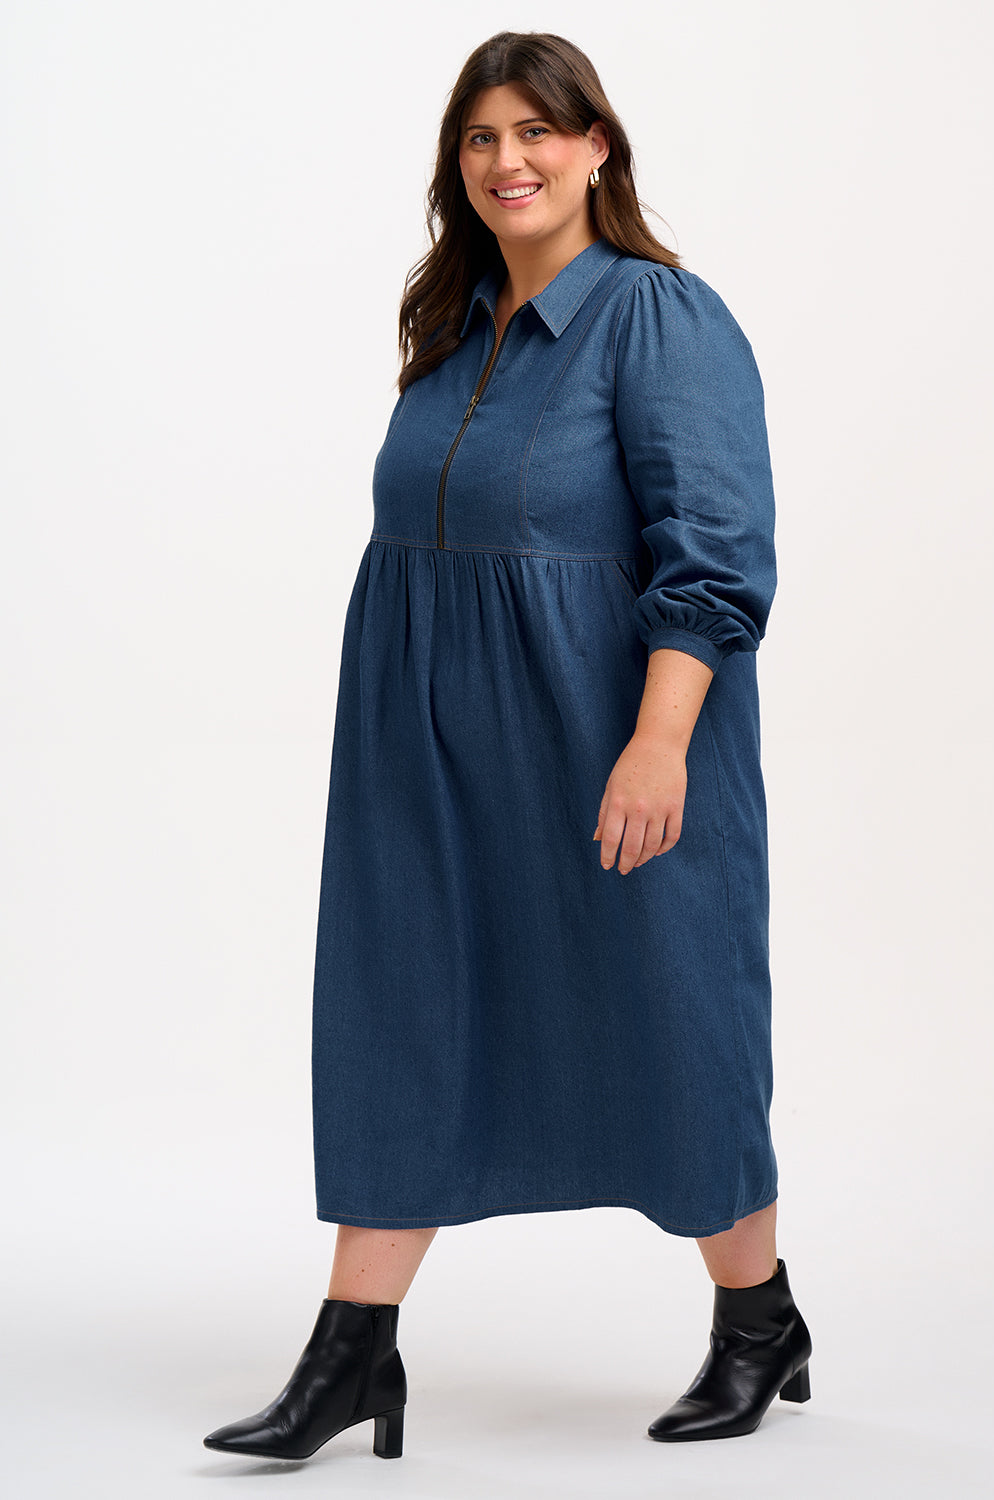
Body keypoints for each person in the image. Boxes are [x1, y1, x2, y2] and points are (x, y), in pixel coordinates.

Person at [203, 29, 811, 1464]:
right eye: (480, 139)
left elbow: (714, 553)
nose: (508, 160)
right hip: (424, 747)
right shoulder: (456, 322)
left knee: (674, 1016)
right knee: (401, 1006)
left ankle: (756, 1318)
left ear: (600, 146)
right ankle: (353, 1358)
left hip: (609, 738)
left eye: (538, 131)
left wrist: (659, 746)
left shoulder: (660, 318)